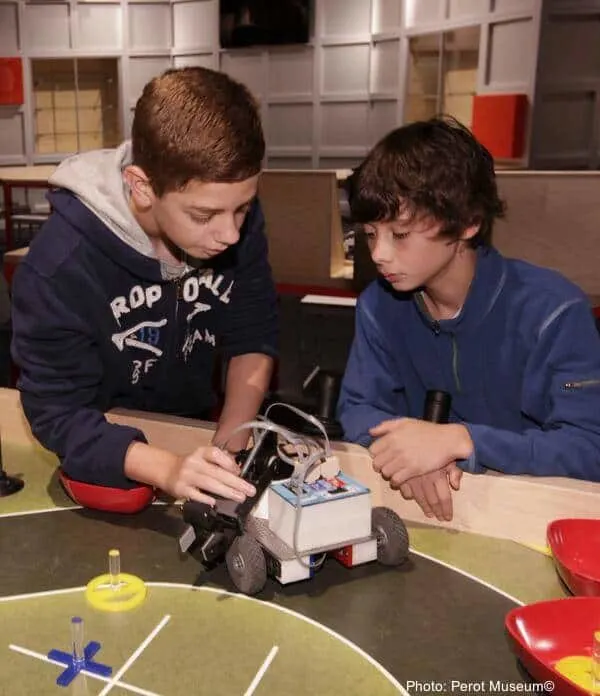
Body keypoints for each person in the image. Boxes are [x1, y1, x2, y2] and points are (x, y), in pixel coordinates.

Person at [11, 67, 279, 508]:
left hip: (193, 425)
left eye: (244, 208)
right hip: (105, 441)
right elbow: (57, 411)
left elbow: (253, 332)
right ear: (141, 187)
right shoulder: (59, 266)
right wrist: (168, 469)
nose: (231, 234)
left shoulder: (225, 211)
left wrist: (230, 447)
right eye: (204, 215)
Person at [337, 116, 600, 521]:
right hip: (424, 517)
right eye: (371, 233)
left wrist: (460, 441)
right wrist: (408, 456)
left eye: (400, 234)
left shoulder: (554, 311)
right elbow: (357, 407)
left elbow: (589, 447)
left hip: (533, 518)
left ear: (468, 222)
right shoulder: (379, 304)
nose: (379, 254)